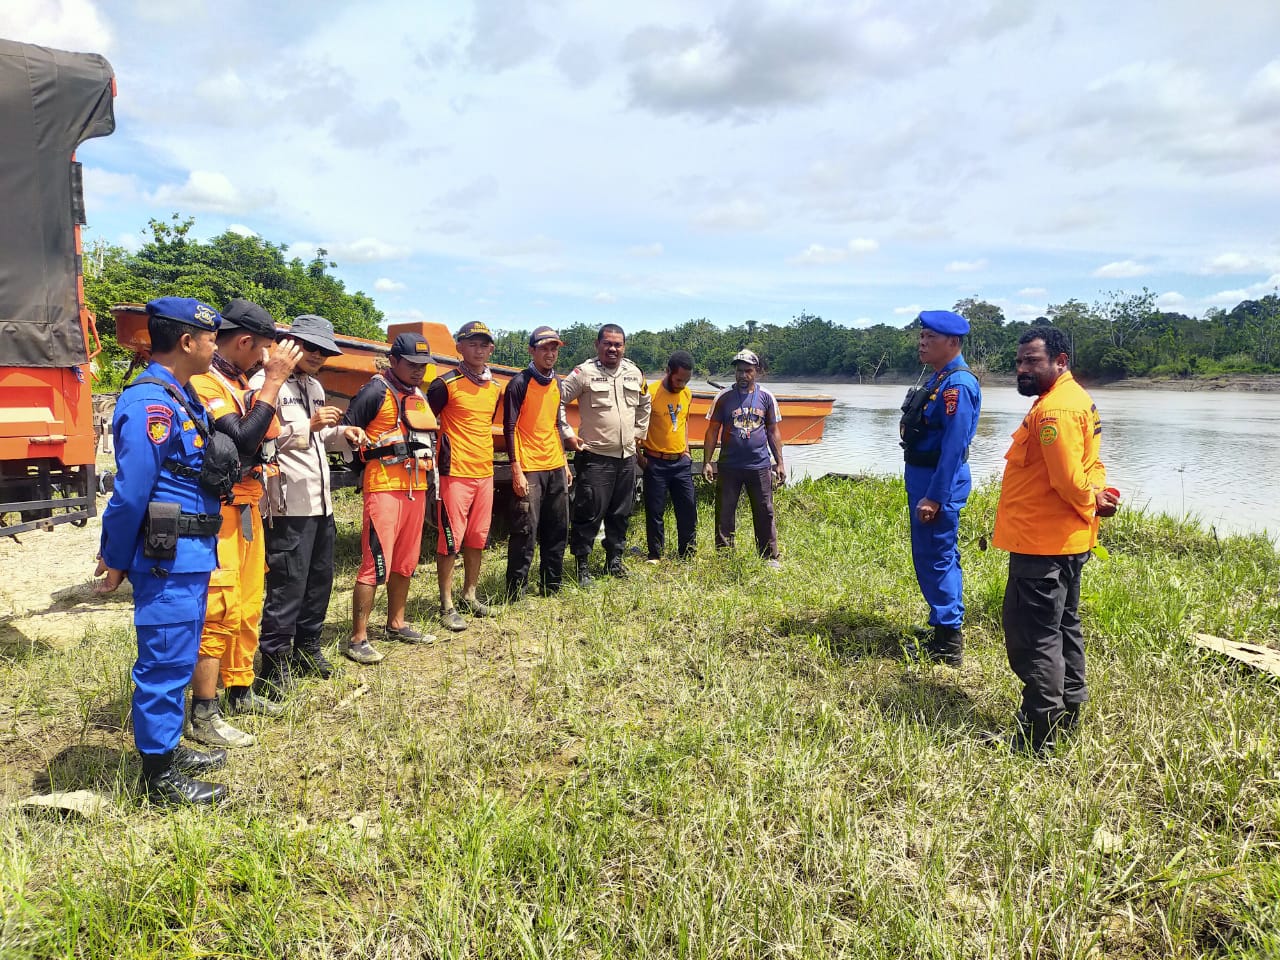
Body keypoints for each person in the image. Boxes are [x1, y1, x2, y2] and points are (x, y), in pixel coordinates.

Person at [93, 296, 229, 804]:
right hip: (166, 558)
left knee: (179, 656)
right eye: (211, 337)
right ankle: (158, 779)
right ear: (188, 342)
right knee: (164, 664)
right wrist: (115, 558)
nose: (216, 344)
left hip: (192, 554)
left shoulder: (181, 396)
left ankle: (168, 750)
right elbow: (130, 495)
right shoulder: (148, 402)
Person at [992, 326, 1119, 755]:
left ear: (1059, 361)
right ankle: (1068, 714)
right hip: (1066, 540)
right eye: (1019, 362)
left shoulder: (1054, 412)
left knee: (1034, 636)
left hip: (1043, 544)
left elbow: (1068, 480)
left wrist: (1089, 497)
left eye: (1032, 361)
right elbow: (1094, 465)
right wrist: (1097, 496)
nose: (1022, 369)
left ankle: (1039, 732)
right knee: (1064, 627)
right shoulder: (1077, 400)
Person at [187, 299, 303, 748]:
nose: (263, 362)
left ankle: (241, 688)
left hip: (249, 505)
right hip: (221, 514)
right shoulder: (202, 382)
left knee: (249, 603)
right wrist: (274, 381)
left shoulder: (235, 381)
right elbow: (242, 438)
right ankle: (204, 710)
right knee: (218, 609)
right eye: (262, 353)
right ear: (246, 341)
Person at [251, 314, 368, 698]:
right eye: (311, 347)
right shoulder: (265, 383)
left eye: (324, 350)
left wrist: (341, 433)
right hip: (288, 503)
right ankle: (274, 663)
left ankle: (308, 647)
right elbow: (259, 441)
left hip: (321, 503)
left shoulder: (315, 386)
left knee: (319, 580)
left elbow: (318, 439)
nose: (318, 355)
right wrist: (310, 427)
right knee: (287, 586)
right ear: (292, 344)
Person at [341, 332, 438, 663]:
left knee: (406, 561)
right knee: (374, 563)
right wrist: (365, 464)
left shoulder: (418, 395)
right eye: (411, 364)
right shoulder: (374, 390)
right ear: (394, 361)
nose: (418, 371)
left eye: (422, 366)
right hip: (383, 487)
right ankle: (358, 638)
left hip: (416, 487)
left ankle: (396, 623)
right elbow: (347, 432)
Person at [899, 310, 982, 666]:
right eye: (921, 336)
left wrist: (935, 495)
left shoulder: (958, 385)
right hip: (923, 477)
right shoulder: (939, 378)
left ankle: (949, 640)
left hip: (937, 482)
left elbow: (952, 447)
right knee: (933, 554)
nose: (922, 342)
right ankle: (940, 623)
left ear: (953, 342)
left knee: (938, 556)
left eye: (930, 337)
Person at [558, 324, 651, 585]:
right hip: (596, 457)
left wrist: (640, 431)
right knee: (588, 512)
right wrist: (567, 433)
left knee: (621, 512)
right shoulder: (583, 373)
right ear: (597, 345)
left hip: (626, 457)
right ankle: (582, 565)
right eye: (608, 343)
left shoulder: (634, 372)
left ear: (624, 347)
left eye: (618, 344)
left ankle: (614, 560)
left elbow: (646, 402)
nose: (613, 348)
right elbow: (557, 401)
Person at [427, 321, 503, 631]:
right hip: (454, 473)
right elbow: (426, 423)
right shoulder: (444, 385)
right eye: (472, 343)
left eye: (484, 343)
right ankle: (446, 604)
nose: (479, 348)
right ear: (459, 347)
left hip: (484, 472)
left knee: (477, 538)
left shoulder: (495, 388)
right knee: (450, 540)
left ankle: (470, 594)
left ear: (491, 349)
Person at [502, 326, 575, 598]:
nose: (550, 353)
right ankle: (515, 590)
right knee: (525, 529)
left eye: (554, 348)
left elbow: (556, 424)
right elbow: (510, 428)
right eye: (544, 348)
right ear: (532, 350)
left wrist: (565, 463)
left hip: (555, 463)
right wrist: (516, 469)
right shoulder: (519, 384)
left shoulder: (557, 383)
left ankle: (551, 585)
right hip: (530, 466)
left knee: (557, 526)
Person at [702, 349, 785, 566]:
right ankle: (724, 557)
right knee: (725, 511)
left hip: (759, 464)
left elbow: (773, 431)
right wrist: (707, 462)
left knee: (765, 510)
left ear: (756, 371)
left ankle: (769, 556)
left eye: (748, 371)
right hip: (729, 465)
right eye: (739, 371)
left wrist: (780, 462)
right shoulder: (723, 397)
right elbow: (712, 431)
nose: (743, 376)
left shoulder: (766, 397)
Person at [639, 351, 697, 562]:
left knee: (688, 508)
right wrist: (640, 457)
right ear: (668, 371)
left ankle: (688, 553)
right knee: (655, 511)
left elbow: (684, 423)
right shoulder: (650, 392)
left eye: (686, 380)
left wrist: (687, 451)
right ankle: (655, 554)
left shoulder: (687, 394)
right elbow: (636, 425)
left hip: (680, 462)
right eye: (679, 379)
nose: (682, 384)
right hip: (655, 461)